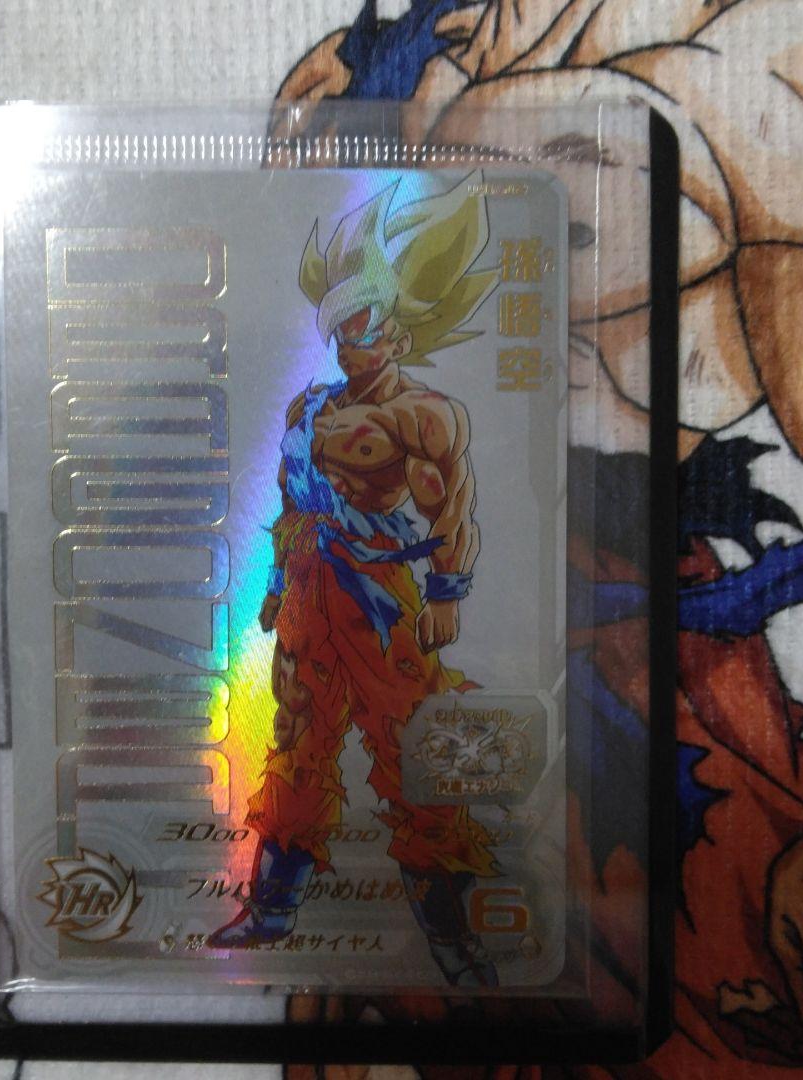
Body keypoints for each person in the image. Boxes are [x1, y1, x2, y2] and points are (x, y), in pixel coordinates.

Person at [209, 174, 503, 987]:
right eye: (340, 333)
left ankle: (451, 938)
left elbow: (453, 508)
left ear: (397, 336)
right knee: (297, 742)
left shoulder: (424, 416)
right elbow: (289, 504)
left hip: (382, 600)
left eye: (364, 331)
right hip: (310, 593)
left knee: (413, 752)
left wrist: (446, 593)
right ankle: (270, 912)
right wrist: (275, 586)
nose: (350, 346)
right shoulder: (308, 407)